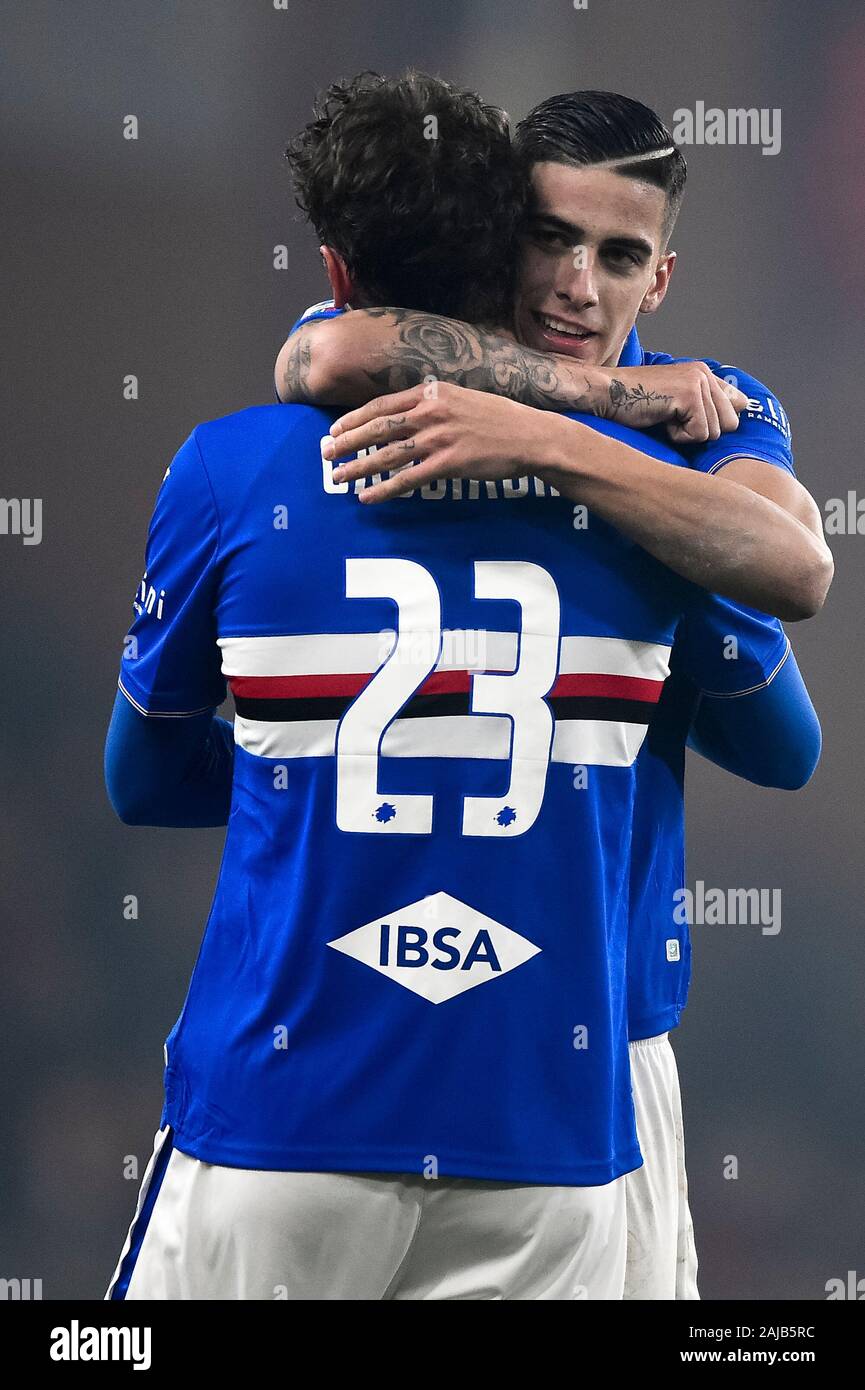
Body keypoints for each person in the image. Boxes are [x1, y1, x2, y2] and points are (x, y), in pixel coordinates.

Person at [273, 86, 827, 1298]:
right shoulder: (427, 352)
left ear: (659, 278)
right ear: (495, 234)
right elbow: (314, 349)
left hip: (606, 1029)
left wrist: (553, 444)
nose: (578, 282)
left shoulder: (716, 397)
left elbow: (793, 581)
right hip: (380, 1008)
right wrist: (597, 417)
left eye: (618, 254)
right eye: (548, 237)